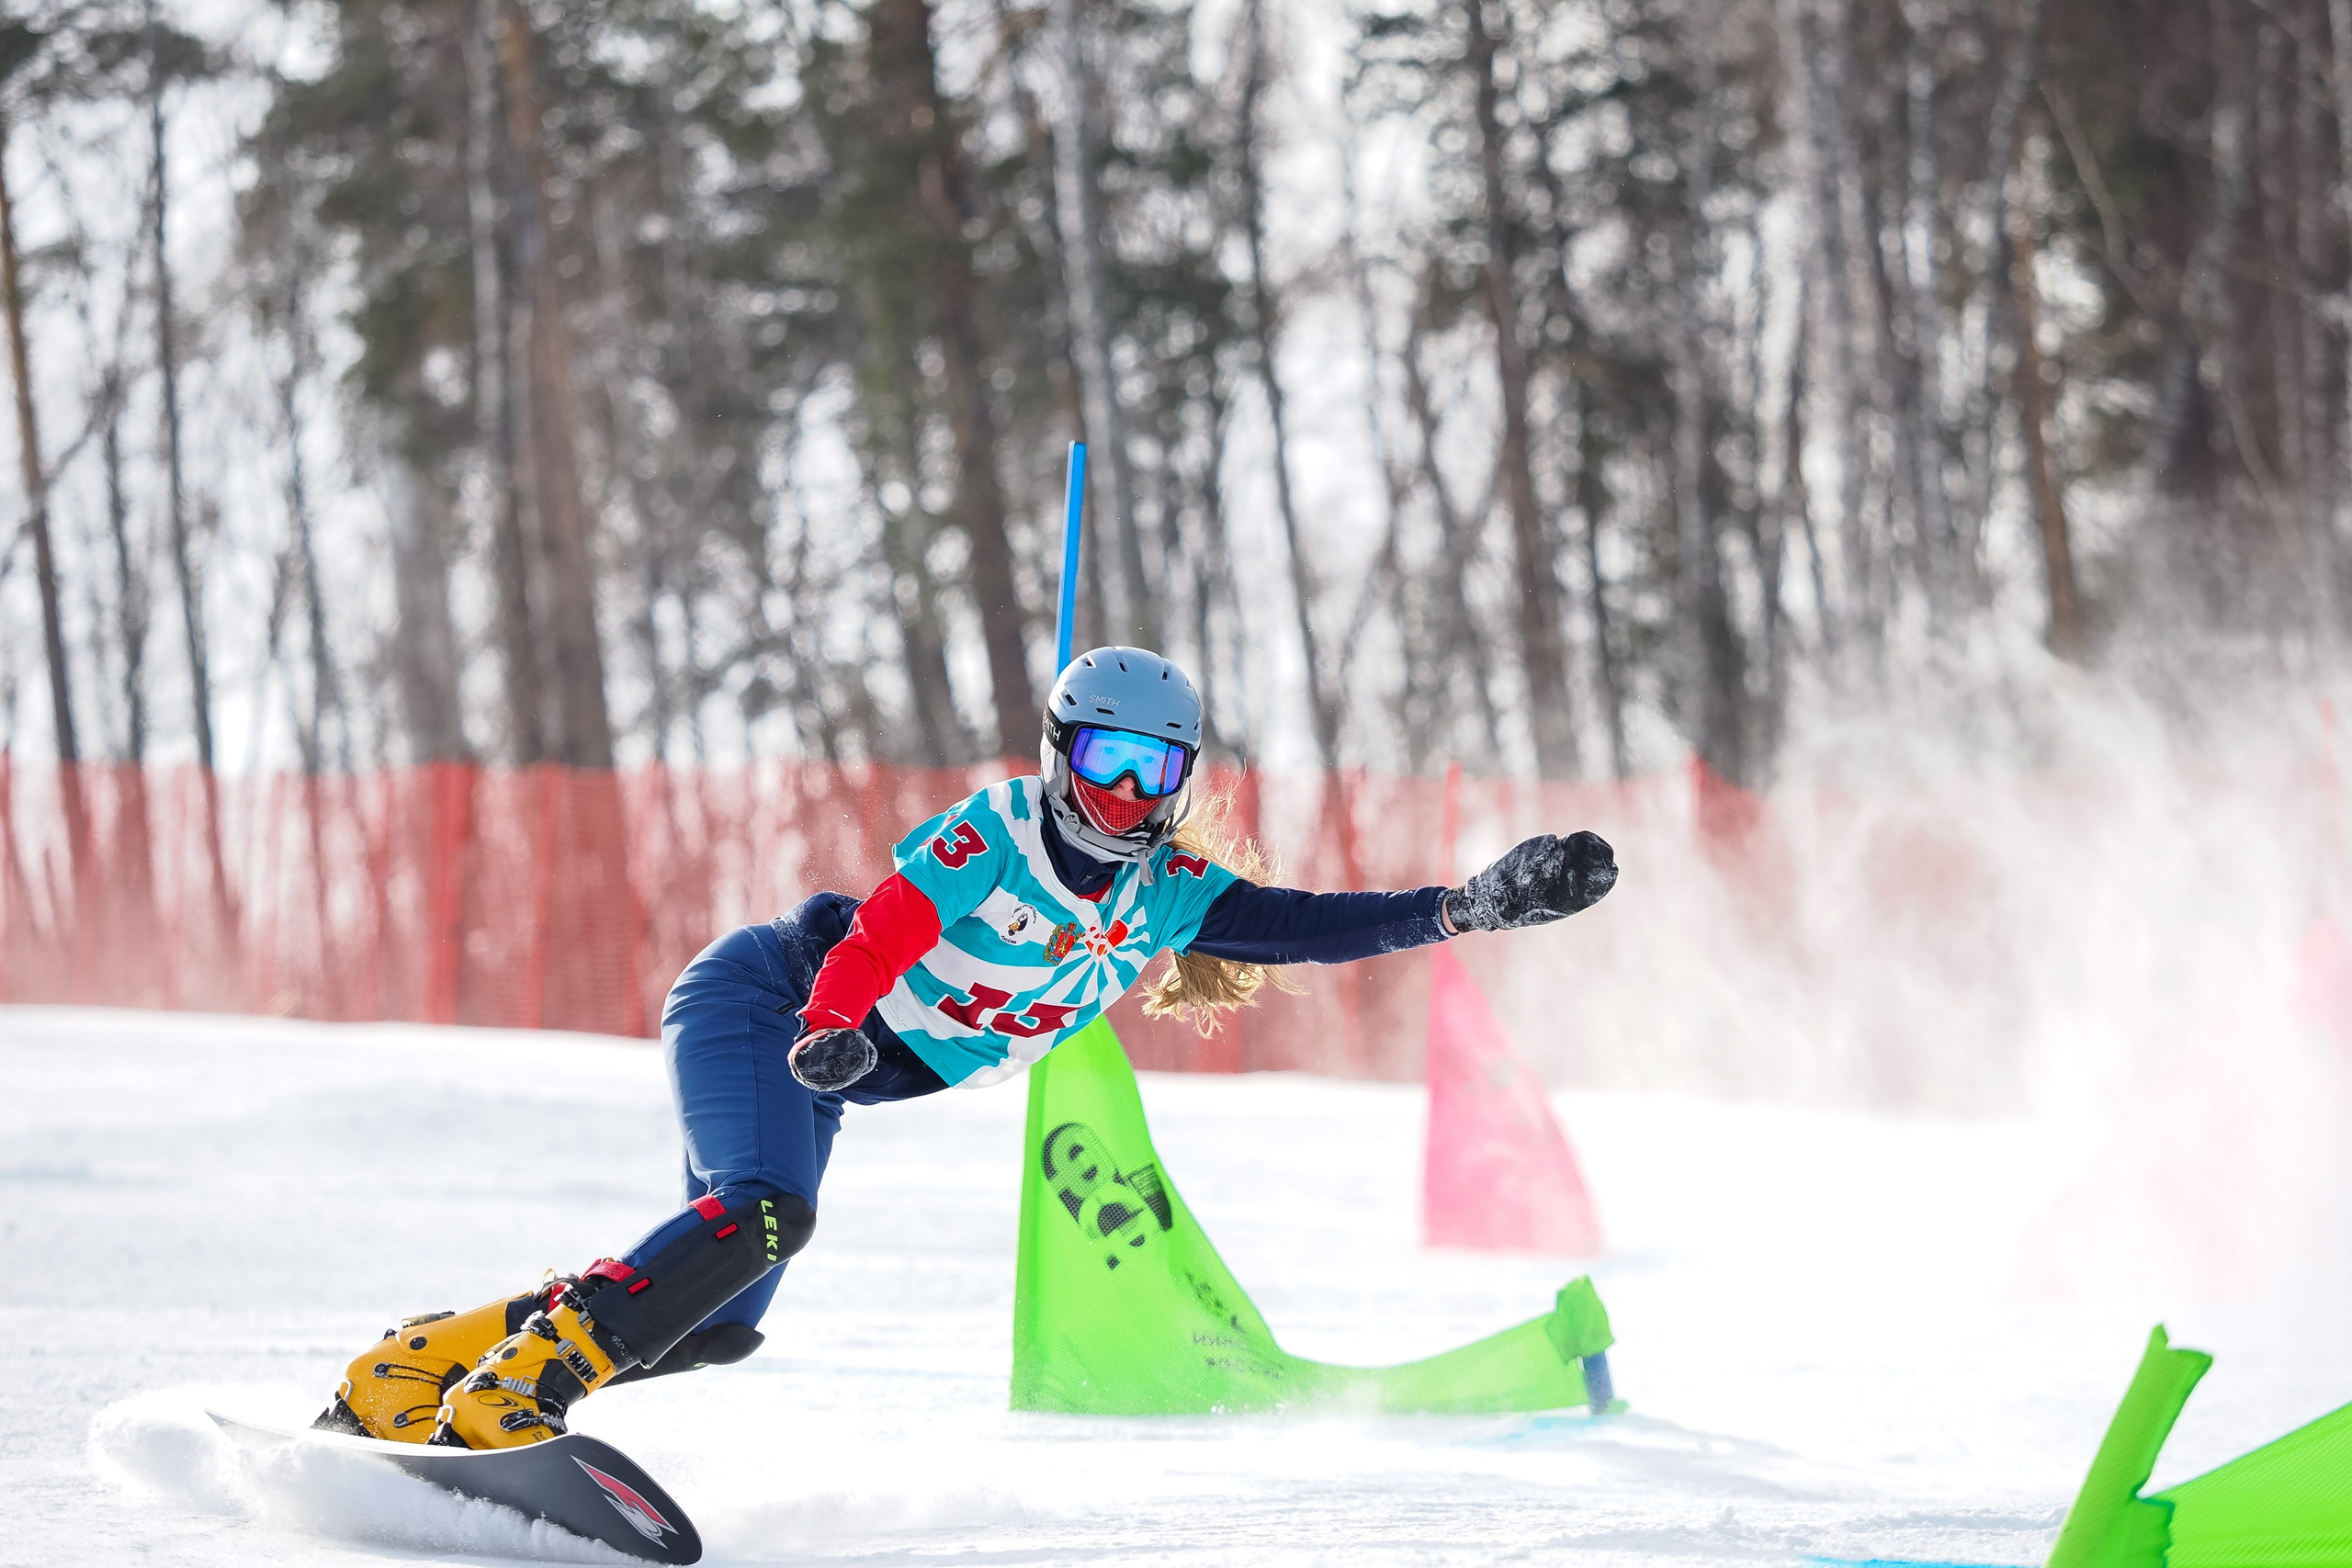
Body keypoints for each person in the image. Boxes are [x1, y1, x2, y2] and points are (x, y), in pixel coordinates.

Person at [317, 648, 1618, 1449]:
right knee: (764, 1214)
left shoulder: (1167, 892)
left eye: (1154, 770)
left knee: (711, 1321)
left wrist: (1466, 908)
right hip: (767, 1007)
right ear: (1061, 751)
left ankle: (421, 1366)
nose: (1125, 794)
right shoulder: (992, 834)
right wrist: (830, 1023)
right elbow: (879, 934)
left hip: (831, 1062)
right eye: (1104, 759)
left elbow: (1314, 927)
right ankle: (522, 1394)